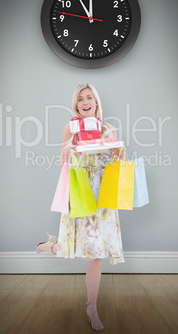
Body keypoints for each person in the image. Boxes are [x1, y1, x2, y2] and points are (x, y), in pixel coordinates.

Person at [36, 83, 125, 332]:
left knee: (96, 254)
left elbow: (116, 162)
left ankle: (92, 306)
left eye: (89, 97)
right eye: (80, 99)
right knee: (72, 248)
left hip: (102, 196)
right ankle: (51, 245)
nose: (85, 102)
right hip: (79, 191)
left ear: (96, 103)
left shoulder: (109, 129)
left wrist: (119, 150)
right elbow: (61, 163)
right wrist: (69, 147)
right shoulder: (71, 128)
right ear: (76, 105)